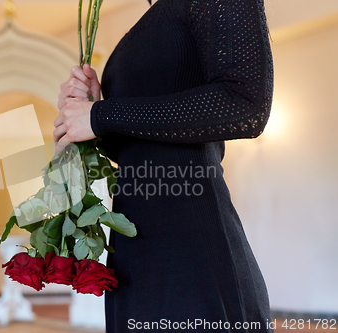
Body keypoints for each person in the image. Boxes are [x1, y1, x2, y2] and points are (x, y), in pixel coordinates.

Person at [54, 0, 274, 331]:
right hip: (134, 250)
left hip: (189, 248)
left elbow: (246, 104)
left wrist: (102, 115)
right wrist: (93, 119)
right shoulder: (149, 20)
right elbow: (140, 151)